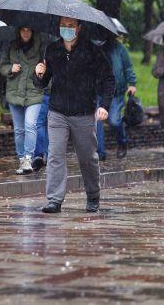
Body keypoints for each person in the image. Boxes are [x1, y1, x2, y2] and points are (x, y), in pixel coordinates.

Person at [32, 17, 115, 214]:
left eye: (70, 26)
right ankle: (54, 199)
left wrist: (104, 105)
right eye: (63, 25)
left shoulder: (92, 51)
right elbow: (42, 84)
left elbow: (108, 79)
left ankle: (93, 195)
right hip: (58, 111)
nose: (66, 29)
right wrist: (39, 74)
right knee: (55, 155)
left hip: (83, 112)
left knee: (88, 158)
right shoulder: (52, 50)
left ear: (79, 28)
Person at [0, 27, 46, 174]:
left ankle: (28, 158)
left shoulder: (42, 46)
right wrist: (10, 68)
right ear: (18, 32)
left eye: (29, 30)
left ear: (33, 32)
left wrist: (42, 71)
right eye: (23, 30)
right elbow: (2, 65)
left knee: (30, 125)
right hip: (15, 92)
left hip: (34, 92)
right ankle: (21, 159)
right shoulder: (11, 45)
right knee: (19, 130)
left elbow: (48, 70)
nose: (26, 33)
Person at [96, 36, 137, 160]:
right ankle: (100, 152)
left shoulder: (119, 48)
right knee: (97, 121)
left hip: (116, 92)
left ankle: (122, 141)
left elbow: (128, 67)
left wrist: (132, 84)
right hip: (98, 91)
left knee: (114, 121)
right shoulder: (94, 47)